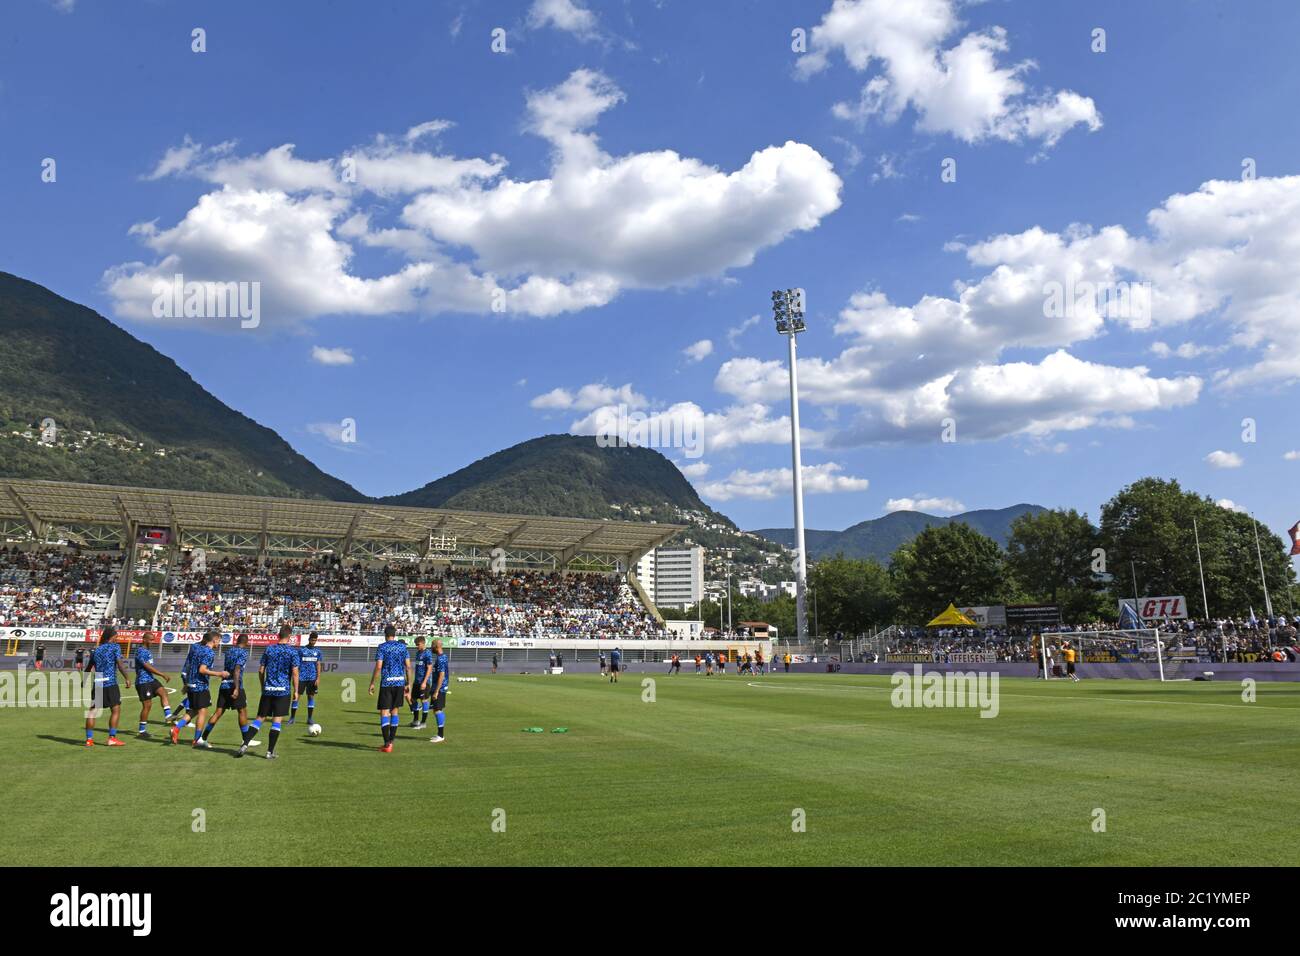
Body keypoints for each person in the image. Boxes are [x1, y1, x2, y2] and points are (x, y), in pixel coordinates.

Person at [239, 624, 299, 759]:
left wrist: (263, 685)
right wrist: (296, 690)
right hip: (283, 691)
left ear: (279, 635)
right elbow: (295, 673)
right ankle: (269, 752)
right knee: (277, 721)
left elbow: (261, 670)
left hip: (268, 689)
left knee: (259, 718)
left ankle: (245, 744)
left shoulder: (269, 649)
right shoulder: (292, 652)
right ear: (289, 636)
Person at [170, 631, 228, 748]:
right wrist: (219, 673)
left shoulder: (197, 649)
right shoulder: (209, 652)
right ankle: (197, 740)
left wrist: (187, 684)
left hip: (192, 684)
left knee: (194, 710)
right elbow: (202, 670)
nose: (219, 643)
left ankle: (176, 728)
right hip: (200, 685)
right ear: (214, 640)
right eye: (219, 641)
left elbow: (190, 665)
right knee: (202, 712)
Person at [203, 633, 256, 748]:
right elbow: (237, 670)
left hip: (224, 684)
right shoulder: (243, 652)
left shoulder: (229, 651)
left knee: (218, 712)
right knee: (242, 711)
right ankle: (246, 740)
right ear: (246, 643)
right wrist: (236, 688)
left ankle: (203, 738)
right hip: (235, 685)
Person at [84, 626, 130, 747]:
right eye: (116, 636)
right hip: (110, 683)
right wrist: (127, 678)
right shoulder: (115, 647)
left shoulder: (96, 650)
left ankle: (89, 740)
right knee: (115, 710)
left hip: (98, 682)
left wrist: (84, 681)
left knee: (92, 712)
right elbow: (120, 664)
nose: (117, 639)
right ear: (112, 636)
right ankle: (112, 738)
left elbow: (88, 668)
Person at [369, 624, 411, 753]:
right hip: (399, 682)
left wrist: (372, 683)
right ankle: (391, 741)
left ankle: (387, 743)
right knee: (395, 711)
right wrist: (408, 683)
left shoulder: (382, 647)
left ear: (385, 635)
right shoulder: (402, 647)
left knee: (384, 712)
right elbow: (408, 667)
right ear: (394, 634)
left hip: (387, 683)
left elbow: (379, 666)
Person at [132, 633, 174, 737]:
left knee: (163, 692)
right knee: (147, 706)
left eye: (153, 640)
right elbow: (147, 666)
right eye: (151, 640)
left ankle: (168, 716)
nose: (152, 641)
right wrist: (162, 674)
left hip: (150, 679)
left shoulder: (147, 651)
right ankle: (142, 731)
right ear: (144, 639)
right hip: (143, 682)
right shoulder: (140, 651)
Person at [292, 630, 322, 725]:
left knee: (311, 697)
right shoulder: (301, 650)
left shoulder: (318, 651)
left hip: (312, 678)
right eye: (312, 640)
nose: (313, 642)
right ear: (309, 639)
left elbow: (318, 664)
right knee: (296, 697)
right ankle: (292, 718)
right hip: (301, 677)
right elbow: (296, 664)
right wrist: (295, 677)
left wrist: (318, 678)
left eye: (315, 640)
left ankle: (309, 718)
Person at [427, 638, 449, 744]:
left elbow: (441, 675)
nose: (431, 648)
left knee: (437, 710)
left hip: (439, 688)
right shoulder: (441, 657)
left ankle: (441, 735)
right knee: (436, 710)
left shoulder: (440, 659)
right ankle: (440, 734)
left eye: (432, 646)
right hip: (438, 687)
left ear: (436, 646)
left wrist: (436, 691)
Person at [411, 636, 434, 730]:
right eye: (416, 644)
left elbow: (429, 668)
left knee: (424, 700)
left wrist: (424, 682)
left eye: (418, 644)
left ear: (423, 643)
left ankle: (423, 722)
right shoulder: (417, 653)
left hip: (424, 682)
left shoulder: (427, 653)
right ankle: (416, 720)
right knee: (413, 699)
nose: (417, 646)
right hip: (417, 681)